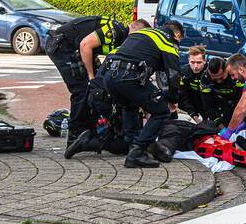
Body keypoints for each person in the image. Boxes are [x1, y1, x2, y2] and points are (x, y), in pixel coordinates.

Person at [94, 21, 185, 168]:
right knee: (161, 111)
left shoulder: (141, 34)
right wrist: (173, 99)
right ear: (177, 34)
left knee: (129, 106)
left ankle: (133, 147)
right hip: (129, 76)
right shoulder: (167, 39)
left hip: (109, 76)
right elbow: (173, 73)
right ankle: (137, 151)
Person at [45, 15, 128, 146]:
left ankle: (92, 127)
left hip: (74, 47)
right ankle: (75, 134)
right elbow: (85, 45)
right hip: (62, 46)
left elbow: (93, 49)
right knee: (82, 89)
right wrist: (91, 76)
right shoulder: (116, 30)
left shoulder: (120, 37)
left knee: (95, 87)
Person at [201, 56, 244, 126]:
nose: (218, 81)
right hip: (220, 100)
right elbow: (208, 104)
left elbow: (242, 99)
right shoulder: (205, 78)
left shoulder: (236, 73)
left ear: (227, 69)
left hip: (236, 98)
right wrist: (218, 122)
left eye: (221, 77)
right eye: (214, 79)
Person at [178, 45, 209, 123]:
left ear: (204, 61)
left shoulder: (210, 71)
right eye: (192, 62)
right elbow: (184, 95)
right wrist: (193, 114)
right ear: (188, 60)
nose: (195, 66)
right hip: (194, 99)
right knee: (168, 92)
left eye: (199, 62)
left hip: (209, 101)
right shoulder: (184, 71)